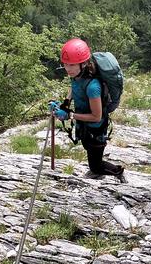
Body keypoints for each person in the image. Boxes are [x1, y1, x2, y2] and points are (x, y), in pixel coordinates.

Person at [51, 38, 125, 181]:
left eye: (72, 64)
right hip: (86, 126)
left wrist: (70, 116)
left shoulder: (93, 87)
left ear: (83, 63)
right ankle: (96, 170)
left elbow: (96, 116)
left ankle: (118, 172)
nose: (68, 69)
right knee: (88, 149)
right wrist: (66, 103)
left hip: (96, 129)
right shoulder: (77, 76)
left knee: (95, 165)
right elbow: (74, 88)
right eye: (65, 64)